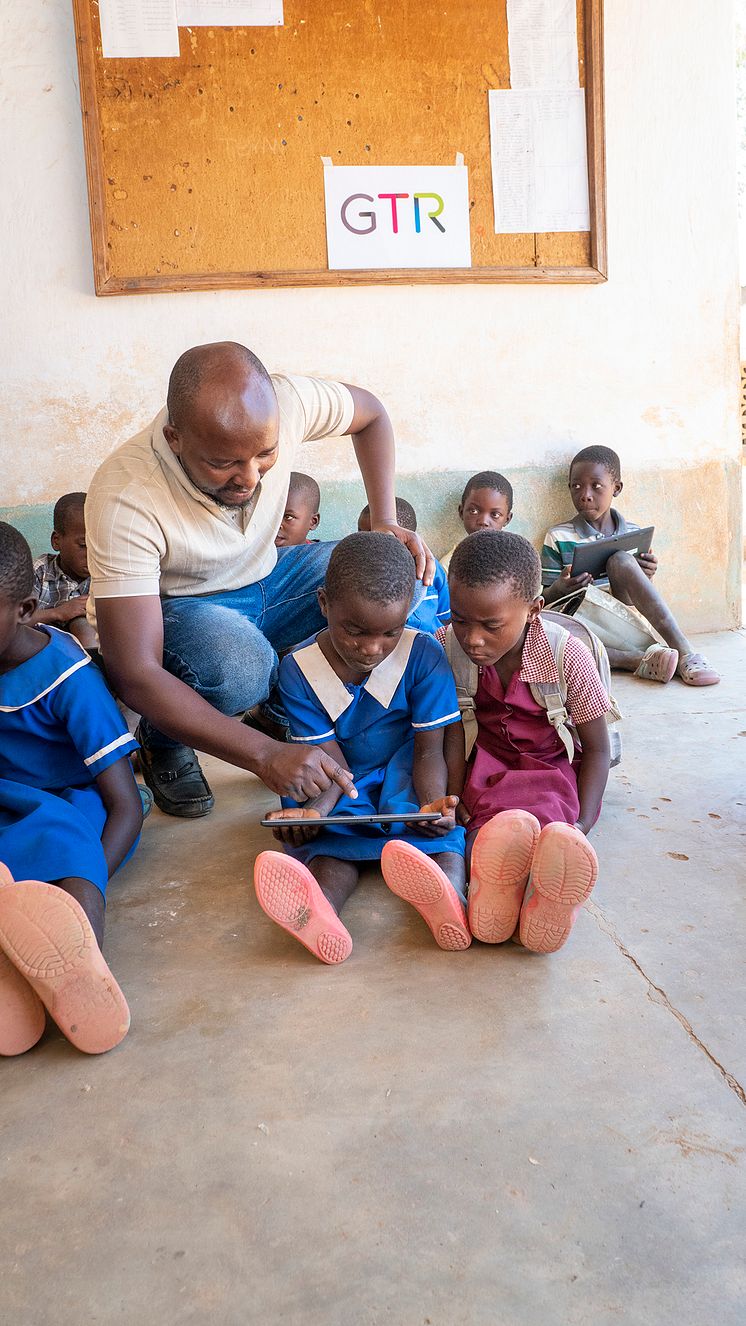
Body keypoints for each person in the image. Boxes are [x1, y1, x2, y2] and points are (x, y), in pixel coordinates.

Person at [85, 342, 433, 819]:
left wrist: (386, 520)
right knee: (240, 668)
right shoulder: (126, 494)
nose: (248, 479)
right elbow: (134, 669)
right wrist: (263, 755)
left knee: (393, 573)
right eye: (222, 463)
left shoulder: (286, 404)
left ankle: (278, 701)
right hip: (182, 610)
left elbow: (371, 414)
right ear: (175, 437)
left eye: (265, 455)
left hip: (270, 576)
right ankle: (164, 737)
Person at [254, 533, 469, 964]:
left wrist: (432, 804)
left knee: (444, 836)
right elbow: (329, 762)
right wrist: (316, 813)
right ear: (322, 603)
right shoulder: (300, 669)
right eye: (354, 630)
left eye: (390, 632)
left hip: (407, 771)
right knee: (328, 842)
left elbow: (429, 751)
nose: (372, 648)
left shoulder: (423, 655)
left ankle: (448, 897)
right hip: (338, 779)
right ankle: (318, 912)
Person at [0, 523, 142, 1056]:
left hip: (71, 803)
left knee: (66, 845)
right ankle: (15, 983)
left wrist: (90, 879)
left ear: (24, 607)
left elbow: (124, 805)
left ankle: (78, 966)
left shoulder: (68, 675)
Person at [446, 530, 610, 955]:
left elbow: (596, 748)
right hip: (481, 765)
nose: (472, 638)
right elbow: (442, 733)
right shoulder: (445, 649)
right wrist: (451, 793)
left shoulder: (566, 656)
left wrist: (583, 825)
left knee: (551, 821)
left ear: (534, 609)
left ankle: (549, 897)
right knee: (482, 827)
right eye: (460, 618)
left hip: (548, 767)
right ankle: (498, 896)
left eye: (491, 625)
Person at [540, 446, 720, 686]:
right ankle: (640, 660)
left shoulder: (634, 533)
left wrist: (646, 574)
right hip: (584, 621)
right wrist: (560, 588)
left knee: (621, 560)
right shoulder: (558, 535)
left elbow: (639, 597)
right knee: (545, 635)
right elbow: (545, 599)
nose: (585, 494)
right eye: (576, 486)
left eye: (596, 485)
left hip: (624, 619)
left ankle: (685, 652)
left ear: (617, 488)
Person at [359, 495, 450, 635]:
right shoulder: (357, 572)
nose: (370, 546)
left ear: (409, 540)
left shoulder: (431, 569)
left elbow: (445, 617)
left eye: (381, 537)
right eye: (361, 535)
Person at [31, 492, 97, 651]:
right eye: (83, 545)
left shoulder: (106, 573)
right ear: (57, 541)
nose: (93, 554)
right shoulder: (39, 571)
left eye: (98, 545)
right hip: (45, 652)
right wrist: (58, 613)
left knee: (83, 624)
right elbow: (15, 619)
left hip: (93, 650)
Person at [440, 470, 513, 572]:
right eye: (474, 511)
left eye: (495, 514)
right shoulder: (448, 566)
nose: (483, 521)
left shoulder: (515, 563)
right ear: (461, 512)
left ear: (507, 519)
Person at [275, 471, 321, 546]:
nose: (276, 524)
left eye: (288, 517)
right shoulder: (254, 553)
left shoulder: (323, 555)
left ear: (313, 522)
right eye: (271, 516)